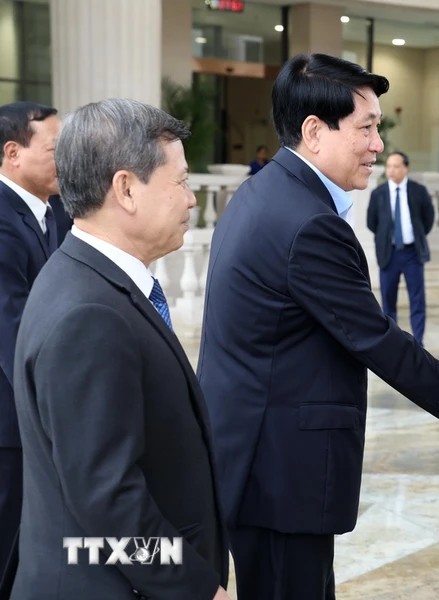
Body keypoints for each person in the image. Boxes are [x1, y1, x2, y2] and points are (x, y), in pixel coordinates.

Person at [198, 53, 439, 600]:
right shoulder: (307, 223)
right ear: (313, 131)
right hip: (279, 472)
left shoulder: (265, 193)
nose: (378, 144)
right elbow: (374, 336)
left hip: (256, 460)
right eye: (367, 127)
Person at [12, 98, 229, 600]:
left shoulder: (86, 276)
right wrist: (196, 588)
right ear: (126, 188)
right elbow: (107, 501)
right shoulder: (89, 315)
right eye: (180, 181)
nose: (192, 199)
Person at [0, 101, 61, 583]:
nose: (63, 160)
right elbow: (12, 326)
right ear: (12, 154)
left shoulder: (51, 211)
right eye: (53, 149)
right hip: (10, 420)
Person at [367, 150, 435, 345]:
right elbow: (372, 223)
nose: (391, 171)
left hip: (412, 253)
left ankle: (418, 342)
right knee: (388, 300)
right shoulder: (378, 194)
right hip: (389, 253)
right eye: (388, 166)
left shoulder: (418, 191)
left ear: (406, 168)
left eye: (396, 166)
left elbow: (427, 219)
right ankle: (393, 343)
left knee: (417, 299)